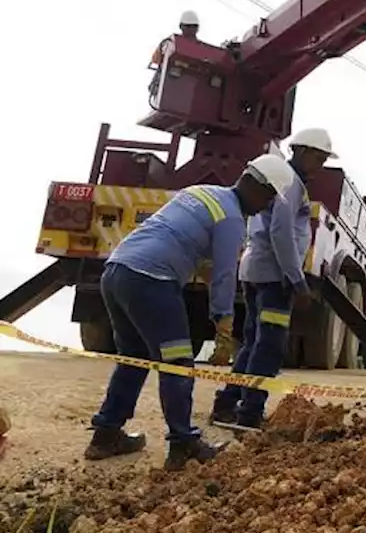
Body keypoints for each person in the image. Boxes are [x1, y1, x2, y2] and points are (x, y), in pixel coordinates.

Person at [83, 154, 296, 471]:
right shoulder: (232, 218)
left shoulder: (202, 192)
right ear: (256, 186)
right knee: (179, 363)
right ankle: (183, 444)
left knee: (134, 357)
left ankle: (106, 433)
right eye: (267, 198)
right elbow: (224, 274)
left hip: (117, 271)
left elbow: (203, 261)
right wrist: (224, 326)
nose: (265, 206)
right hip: (151, 279)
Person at [210, 128, 337, 431]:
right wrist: (296, 280)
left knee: (254, 343)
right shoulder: (289, 183)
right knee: (269, 347)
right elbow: (281, 232)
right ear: (302, 152)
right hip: (274, 277)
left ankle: (227, 405)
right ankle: (249, 414)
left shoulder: (285, 180)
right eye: (318, 158)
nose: (320, 166)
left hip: (257, 271)